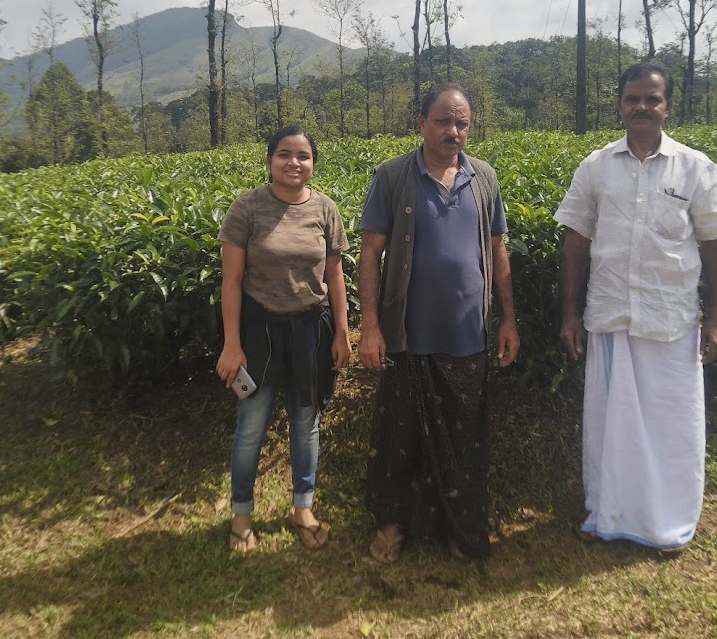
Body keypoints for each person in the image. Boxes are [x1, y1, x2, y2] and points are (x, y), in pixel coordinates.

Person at [554, 63, 717, 554]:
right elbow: (575, 241)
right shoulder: (595, 167)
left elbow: (715, 245)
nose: (642, 107)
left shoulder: (695, 167)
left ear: (667, 106)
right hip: (611, 317)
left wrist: (716, 319)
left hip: (672, 321)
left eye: (651, 99)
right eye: (632, 98)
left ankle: (668, 524)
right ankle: (610, 513)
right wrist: (569, 314)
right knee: (611, 425)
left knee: (671, 426)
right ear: (619, 105)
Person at [357, 83, 520, 562]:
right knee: (399, 440)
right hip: (407, 338)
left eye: (462, 123)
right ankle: (393, 526)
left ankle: (458, 527)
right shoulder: (393, 176)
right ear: (421, 123)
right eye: (444, 121)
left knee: (463, 441)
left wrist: (508, 319)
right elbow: (370, 252)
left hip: (467, 338)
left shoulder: (484, 178)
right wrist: (370, 325)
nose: (454, 131)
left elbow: (498, 252)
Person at [215, 125, 351, 553]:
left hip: (310, 330)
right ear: (270, 160)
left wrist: (344, 332)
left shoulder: (326, 209)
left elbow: (334, 276)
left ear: (313, 162)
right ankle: (241, 513)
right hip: (259, 333)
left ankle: (303, 507)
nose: (294, 162)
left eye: (304, 155)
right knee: (251, 427)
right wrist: (231, 344)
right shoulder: (247, 208)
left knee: (305, 423)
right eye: (284, 154)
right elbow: (232, 282)